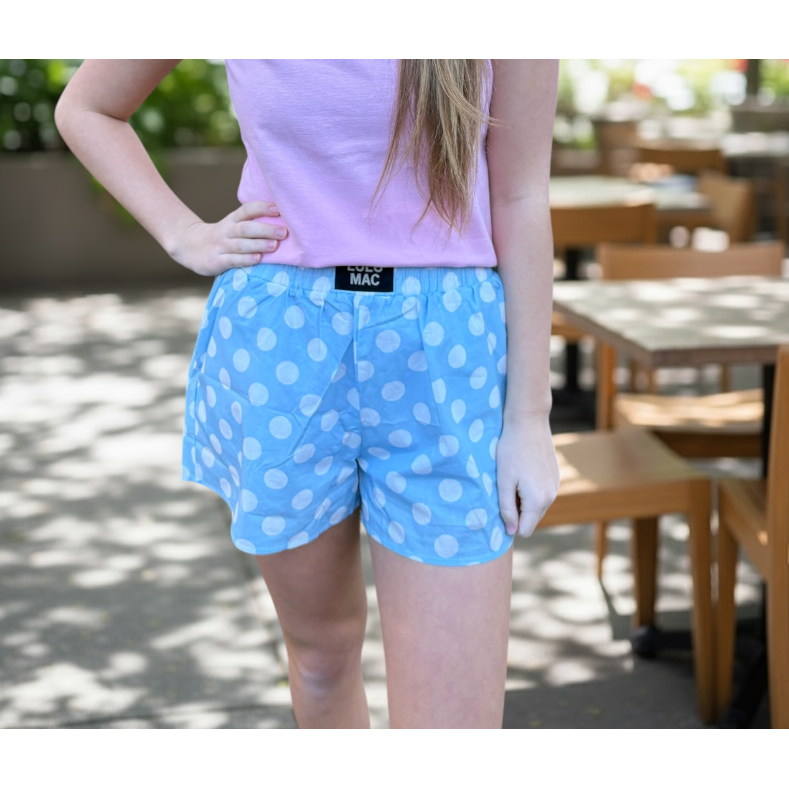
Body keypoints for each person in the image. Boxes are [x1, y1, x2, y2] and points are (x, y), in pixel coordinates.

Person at [54, 59, 561, 729]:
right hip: (282, 347)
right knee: (321, 658)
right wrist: (184, 233)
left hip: (444, 355)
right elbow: (87, 107)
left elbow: (520, 196)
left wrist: (529, 416)